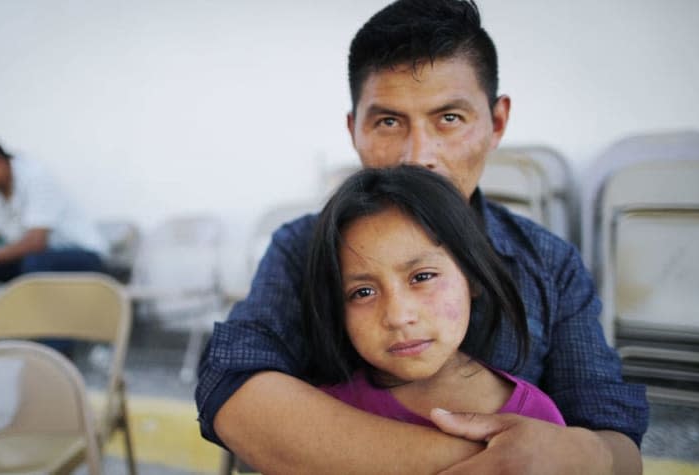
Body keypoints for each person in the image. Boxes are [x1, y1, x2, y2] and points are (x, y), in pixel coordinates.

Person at [196, 1, 649, 473]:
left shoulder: (550, 265)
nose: (418, 156)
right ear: (354, 130)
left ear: (496, 123)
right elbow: (234, 389)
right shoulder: (303, 248)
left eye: (449, 118)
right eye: (388, 122)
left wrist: (586, 453)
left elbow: (616, 445)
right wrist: (501, 465)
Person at [304, 165, 566, 428]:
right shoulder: (321, 417)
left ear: (472, 277)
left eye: (422, 277)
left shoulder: (537, 423)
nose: (398, 316)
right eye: (363, 292)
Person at [0, 134, 108, 346]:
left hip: (84, 257)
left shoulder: (36, 177)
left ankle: (55, 353)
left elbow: (36, 242)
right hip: (33, 260)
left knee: (34, 262)